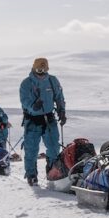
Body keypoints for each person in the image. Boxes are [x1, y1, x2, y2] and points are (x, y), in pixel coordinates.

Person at [17, 57, 67, 186]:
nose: (41, 72)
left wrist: (61, 110)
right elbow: (24, 100)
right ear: (34, 68)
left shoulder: (52, 81)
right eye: (39, 69)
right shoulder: (26, 83)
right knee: (31, 149)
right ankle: (31, 174)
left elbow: (59, 96)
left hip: (49, 119)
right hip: (33, 120)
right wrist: (33, 106)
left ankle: (52, 171)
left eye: (44, 69)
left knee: (54, 147)